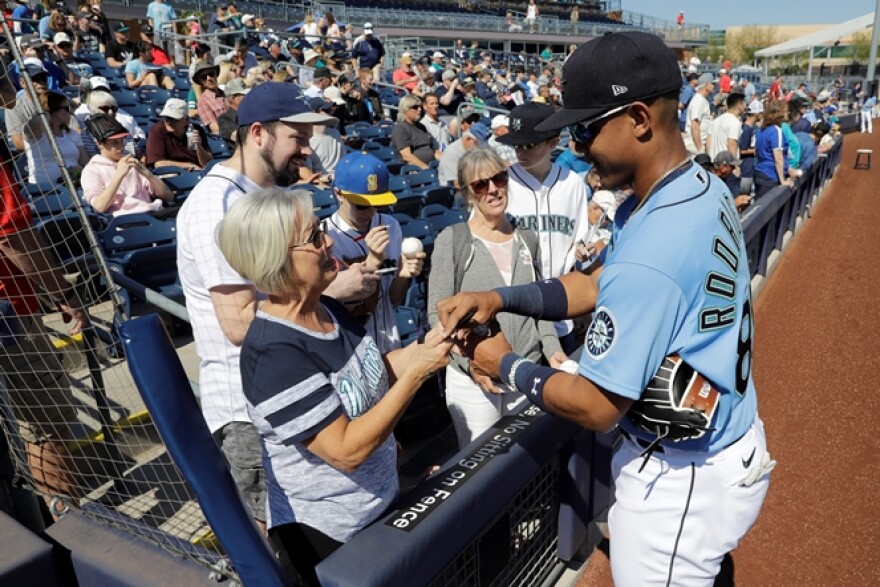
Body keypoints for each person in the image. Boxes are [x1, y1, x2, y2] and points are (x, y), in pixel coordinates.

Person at [436, 31, 773, 586]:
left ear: (639, 118)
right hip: (720, 439)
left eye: (587, 128)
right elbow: (595, 284)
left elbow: (595, 407)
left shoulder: (655, 245)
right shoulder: (694, 186)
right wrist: (499, 297)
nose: (577, 144)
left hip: (683, 478)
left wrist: (501, 363)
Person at [215, 188, 450, 586]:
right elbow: (345, 451)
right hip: (328, 538)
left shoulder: (328, 307)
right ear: (276, 260)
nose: (327, 241)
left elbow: (372, 373)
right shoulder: (272, 352)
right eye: (312, 238)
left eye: (320, 229)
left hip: (378, 506)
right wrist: (418, 374)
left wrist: (427, 347)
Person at [177, 82, 361, 529]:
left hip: (291, 392)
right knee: (277, 542)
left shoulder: (264, 198)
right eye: (297, 139)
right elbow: (239, 323)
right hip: (250, 411)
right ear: (257, 133)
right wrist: (335, 291)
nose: (306, 151)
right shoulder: (215, 205)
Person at [428, 147, 564, 447]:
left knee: (526, 466)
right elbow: (435, 316)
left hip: (525, 371)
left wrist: (553, 349)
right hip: (475, 383)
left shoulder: (527, 238)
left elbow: (539, 305)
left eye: (499, 179)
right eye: (480, 184)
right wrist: (470, 365)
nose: (493, 189)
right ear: (467, 193)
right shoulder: (453, 240)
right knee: (483, 474)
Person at [0, 63, 86, 516]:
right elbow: (13, 236)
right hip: (8, 308)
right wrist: (62, 293)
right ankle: (70, 520)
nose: (9, 100)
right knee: (46, 418)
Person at [495, 102, 589, 353]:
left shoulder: (572, 184)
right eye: (516, 145)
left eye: (529, 145)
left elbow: (579, 239)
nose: (520, 152)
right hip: (514, 311)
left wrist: (582, 250)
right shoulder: (499, 184)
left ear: (552, 142)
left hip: (560, 309)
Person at [324, 152, 426, 354]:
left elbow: (393, 300)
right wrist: (372, 262)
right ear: (338, 193)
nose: (371, 212)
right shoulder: (326, 238)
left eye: (378, 204)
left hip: (390, 341)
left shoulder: (390, 225)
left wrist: (402, 277)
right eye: (362, 205)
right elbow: (340, 310)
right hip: (352, 349)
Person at [81, 114, 176, 218]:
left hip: (152, 213)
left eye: (122, 141)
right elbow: (99, 207)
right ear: (99, 144)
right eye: (114, 143)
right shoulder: (91, 170)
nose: (121, 147)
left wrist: (148, 174)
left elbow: (169, 197)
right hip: (125, 220)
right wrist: (119, 175)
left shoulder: (131, 163)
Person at [22, 90, 88, 186]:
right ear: (53, 110)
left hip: (74, 185)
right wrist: (45, 112)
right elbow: (31, 127)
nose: (70, 111)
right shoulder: (35, 132)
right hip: (44, 190)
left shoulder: (72, 134)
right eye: (66, 108)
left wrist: (77, 171)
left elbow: (85, 163)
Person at [145, 98, 213, 171]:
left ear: (187, 120)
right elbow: (158, 164)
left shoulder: (196, 130)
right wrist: (190, 166)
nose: (168, 122)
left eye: (174, 118)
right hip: (172, 174)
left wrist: (199, 147)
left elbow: (207, 164)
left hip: (198, 172)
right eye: (166, 118)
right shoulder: (157, 131)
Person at [754, 100, 794, 199]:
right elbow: (778, 158)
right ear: (779, 114)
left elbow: (756, 152)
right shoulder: (776, 131)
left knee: (759, 203)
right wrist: (783, 181)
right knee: (765, 209)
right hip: (771, 175)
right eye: (786, 111)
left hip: (759, 172)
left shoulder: (761, 130)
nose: (788, 113)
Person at [390, 95, 440, 170]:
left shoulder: (421, 127)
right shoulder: (400, 129)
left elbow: (434, 151)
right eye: (415, 107)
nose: (419, 109)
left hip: (432, 167)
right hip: (414, 171)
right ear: (405, 110)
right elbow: (407, 156)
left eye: (420, 107)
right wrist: (428, 169)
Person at [192, 62, 228, 136]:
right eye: (204, 77)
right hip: (226, 138)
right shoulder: (203, 101)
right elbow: (215, 128)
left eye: (211, 74)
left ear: (216, 75)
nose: (209, 78)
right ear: (201, 81)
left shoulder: (226, 93)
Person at [683, 73, 714, 155]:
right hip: (694, 146)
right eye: (713, 83)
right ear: (707, 85)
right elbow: (695, 125)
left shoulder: (702, 100)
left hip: (698, 144)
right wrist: (700, 149)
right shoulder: (698, 101)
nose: (714, 86)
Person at [708, 92, 745, 159]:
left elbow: (708, 142)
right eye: (744, 104)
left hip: (713, 162)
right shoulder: (735, 122)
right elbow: (731, 144)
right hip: (725, 165)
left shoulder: (715, 121)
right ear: (740, 105)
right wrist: (734, 166)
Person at [216, 78, 248, 143]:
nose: (249, 97)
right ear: (233, 98)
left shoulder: (252, 112)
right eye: (245, 95)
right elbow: (239, 136)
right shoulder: (224, 118)